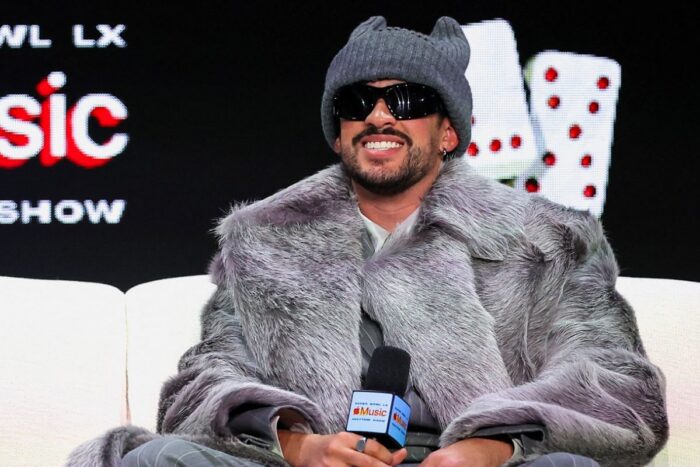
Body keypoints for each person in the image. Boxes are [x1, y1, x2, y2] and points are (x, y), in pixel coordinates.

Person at [67, 16, 668, 467]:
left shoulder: (550, 240)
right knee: (160, 458)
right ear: (339, 134)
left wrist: (489, 448)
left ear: (448, 132)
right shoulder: (264, 241)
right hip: (315, 460)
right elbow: (205, 380)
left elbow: (616, 384)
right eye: (358, 102)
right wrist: (300, 445)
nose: (380, 116)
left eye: (407, 100)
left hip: (472, 460)